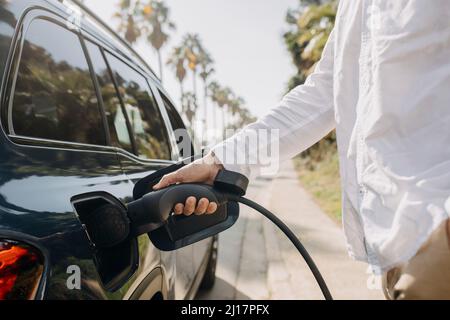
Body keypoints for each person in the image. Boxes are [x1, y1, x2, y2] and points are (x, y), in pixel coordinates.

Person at [154, 1, 450, 300]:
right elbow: (324, 93)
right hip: (398, 249)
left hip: (438, 234)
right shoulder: (355, 7)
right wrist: (219, 162)